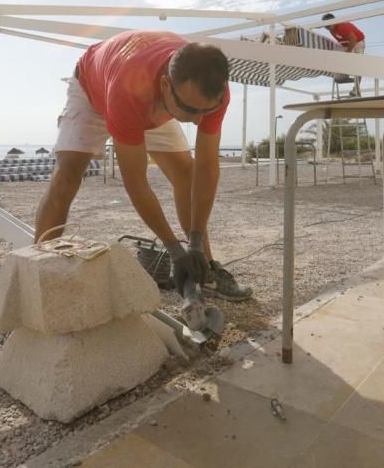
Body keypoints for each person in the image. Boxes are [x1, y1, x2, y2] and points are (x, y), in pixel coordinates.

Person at [35, 30, 252, 301]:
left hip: (153, 98)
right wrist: (174, 249)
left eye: (205, 112)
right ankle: (39, 271)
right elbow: (136, 181)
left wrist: (194, 244)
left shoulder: (211, 90)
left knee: (186, 172)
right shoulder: (127, 91)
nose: (198, 122)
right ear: (165, 85)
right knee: (66, 177)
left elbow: (206, 168)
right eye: (190, 111)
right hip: (95, 89)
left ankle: (205, 268)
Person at [321, 13, 365, 97]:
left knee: (358, 65)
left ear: (333, 22)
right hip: (346, 43)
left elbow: (353, 39)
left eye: (327, 25)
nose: (326, 27)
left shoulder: (342, 26)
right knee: (341, 60)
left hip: (357, 42)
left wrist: (348, 52)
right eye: (324, 26)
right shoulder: (331, 28)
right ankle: (343, 75)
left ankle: (356, 89)